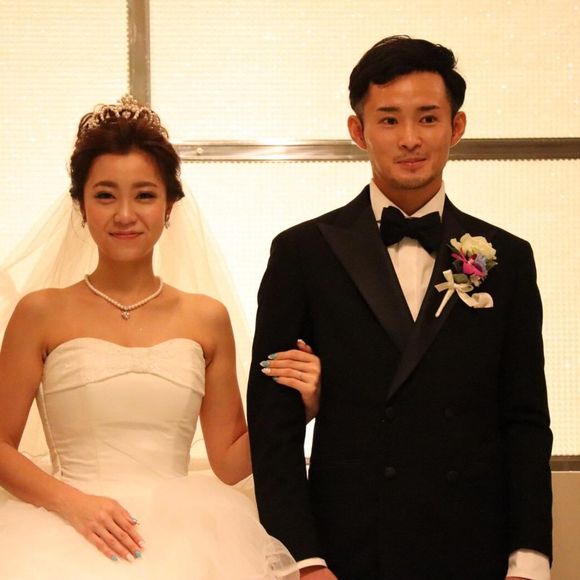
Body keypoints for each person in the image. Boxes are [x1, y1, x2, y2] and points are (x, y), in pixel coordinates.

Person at [248, 36, 552, 580]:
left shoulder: (506, 258)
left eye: (428, 118)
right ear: (357, 130)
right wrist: (304, 560)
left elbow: (525, 421)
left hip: (472, 548)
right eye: (388, 120)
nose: (410, 139)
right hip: (347, 549)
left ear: (456, 128)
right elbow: (273, 427)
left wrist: (528, 561)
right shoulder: (303, 253)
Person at [0, 95, 321, 579]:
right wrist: (73, 504)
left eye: (145, 195)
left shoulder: (206, 318)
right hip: (61, 533)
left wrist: (299, 408)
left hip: (188, 538)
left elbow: (229, 461)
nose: (125, 214)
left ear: (170, 206)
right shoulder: (40, 312)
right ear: (81, 205)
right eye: (105, 195)